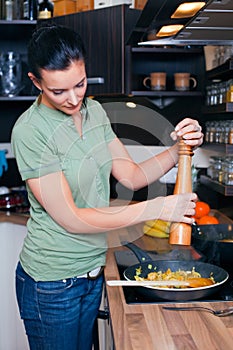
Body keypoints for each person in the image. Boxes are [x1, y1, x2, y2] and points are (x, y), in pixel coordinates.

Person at [11, 23, 203, 350]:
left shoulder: (95, 111)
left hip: (91, 273)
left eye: (80, 84)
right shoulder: (31, 132)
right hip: (52, 284)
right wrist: (155, 208)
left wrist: (180, 149)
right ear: (35, 81)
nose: (73, 99)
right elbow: (71, 217)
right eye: (58, 91)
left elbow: (130, 175)